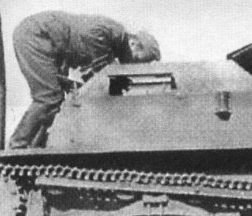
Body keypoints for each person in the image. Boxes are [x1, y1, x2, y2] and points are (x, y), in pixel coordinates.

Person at [9, 10, 161, 149]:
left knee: (57, 101)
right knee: (49, 97)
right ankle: (18, 145)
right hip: (37, 35)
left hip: (47, 41)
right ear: (134, 44)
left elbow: (93, 73)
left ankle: (34, 147)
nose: (131, 64)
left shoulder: (111, 44)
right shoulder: (113, 32)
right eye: (136, 59)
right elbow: (96, 73)